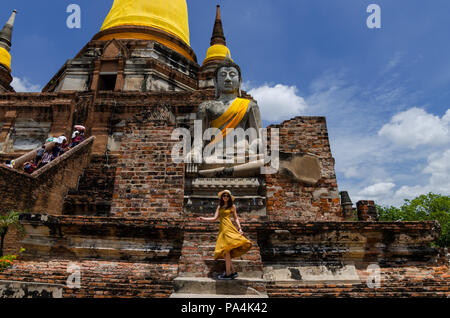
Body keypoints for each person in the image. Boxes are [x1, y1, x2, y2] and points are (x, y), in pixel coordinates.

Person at [197, 190, 252, 280]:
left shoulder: (232, 206)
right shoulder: (219, 206)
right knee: (227, 251)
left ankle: (228, 274)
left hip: (229, 228)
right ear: (222, 197)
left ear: (229, 197)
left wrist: (240, 228)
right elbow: (214, 218)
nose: (225, 197)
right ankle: (233, 272)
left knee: (226, 251)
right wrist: (203, 218)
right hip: (222, 230)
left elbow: (236, 218)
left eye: (227, 196)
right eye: (224, 195)